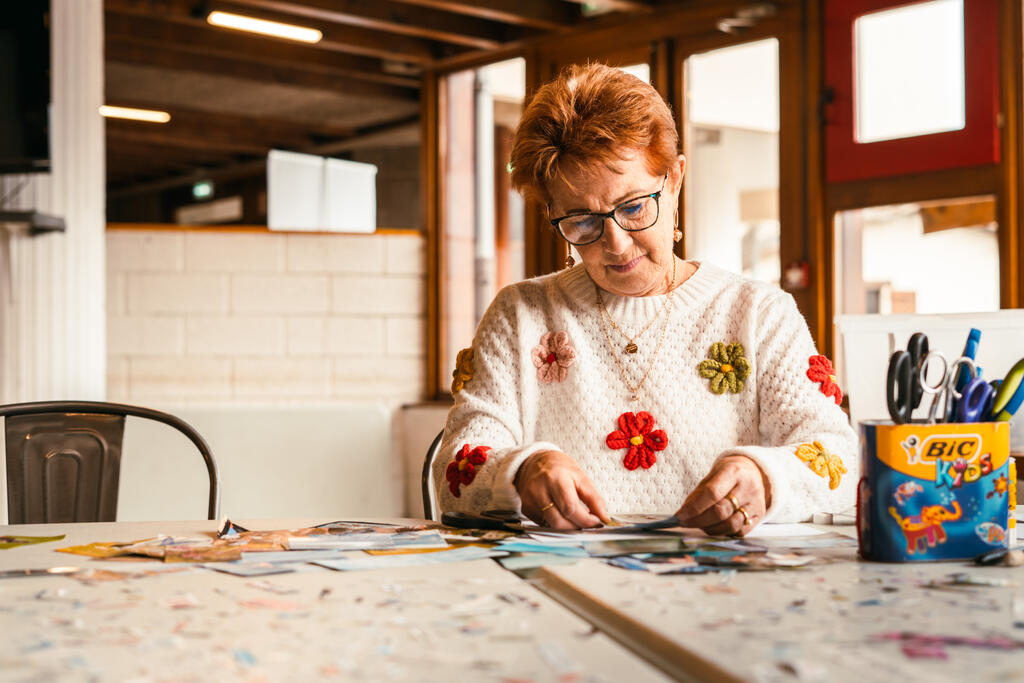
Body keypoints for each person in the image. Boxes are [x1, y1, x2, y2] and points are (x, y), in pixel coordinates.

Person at [436, 62, 857, 534]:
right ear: (553, 213)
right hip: (564, 574)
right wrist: (522, 469)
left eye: (634, 206)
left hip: (720, 574)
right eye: (582, 221)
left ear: (674, 179)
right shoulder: (521, 315)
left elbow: (837, 458)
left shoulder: (758, 314)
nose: (615, 244)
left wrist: (764, 476)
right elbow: (454, 470)